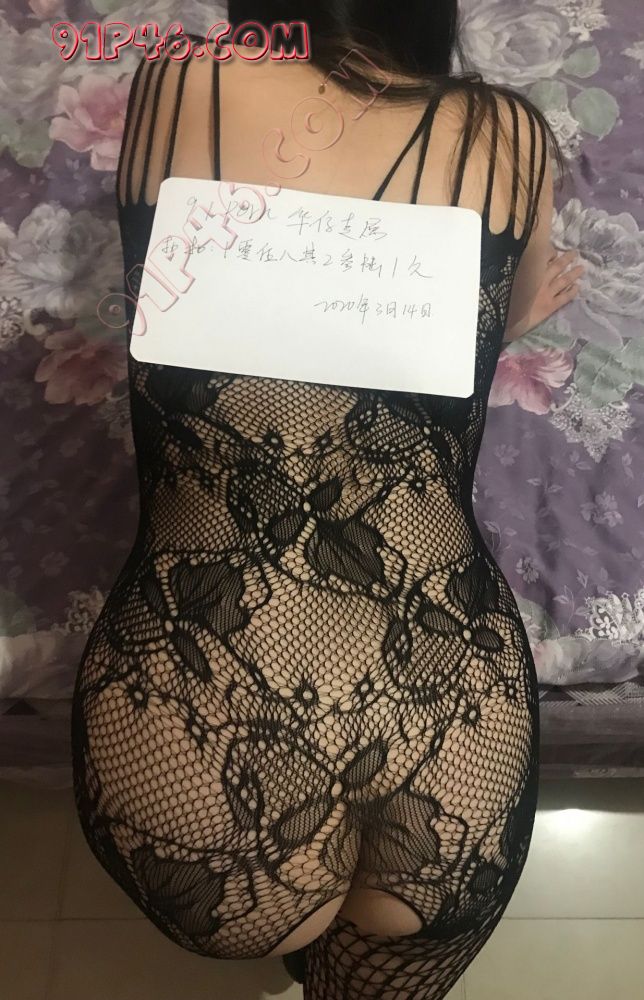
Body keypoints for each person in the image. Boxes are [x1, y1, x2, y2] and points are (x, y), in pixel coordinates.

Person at [71, 3, 584, 997]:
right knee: (375, 967)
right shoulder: (506, 131)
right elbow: (481, 333)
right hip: (447, 704)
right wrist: (508, 316)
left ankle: (303, 915)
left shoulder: (184, 78)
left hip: (191, 690)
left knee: (288, 912)